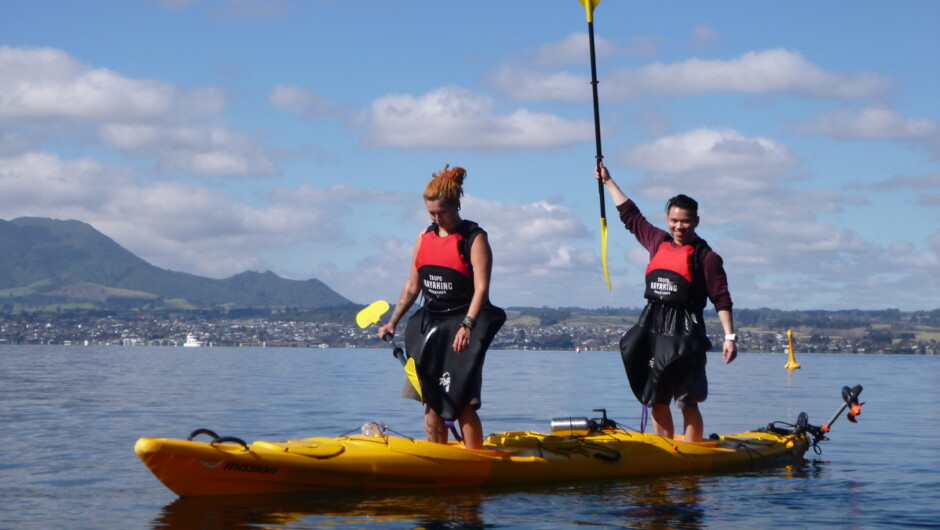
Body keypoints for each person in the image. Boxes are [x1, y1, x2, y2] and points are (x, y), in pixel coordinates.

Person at [595, 161, 737, 442]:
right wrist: (608, 182)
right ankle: (664, 451)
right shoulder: (657, 240)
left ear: (696, 221)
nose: (679, 226)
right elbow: (630, 216)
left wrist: (729, 337)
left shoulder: (706, 257)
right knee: (657, 399)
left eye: (685, 220)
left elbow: (721, 298)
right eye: (673, 220)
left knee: (687, 401)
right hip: (654, 328)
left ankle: (691, 458)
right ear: (667, 220)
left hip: (687, 334)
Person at [378, 164, 506, 449]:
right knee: (431, 400)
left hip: (464, 325)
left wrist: (468, 325)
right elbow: (413, 286)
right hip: (432, 324)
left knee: (461, 401)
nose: (437, 218)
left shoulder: (474, 238)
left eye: (442, 213)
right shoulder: (424, 237)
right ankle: (439, 456)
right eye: (431, 214)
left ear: (456, 205)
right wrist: (393, 321)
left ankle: (474, 461)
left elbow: (482, 289)